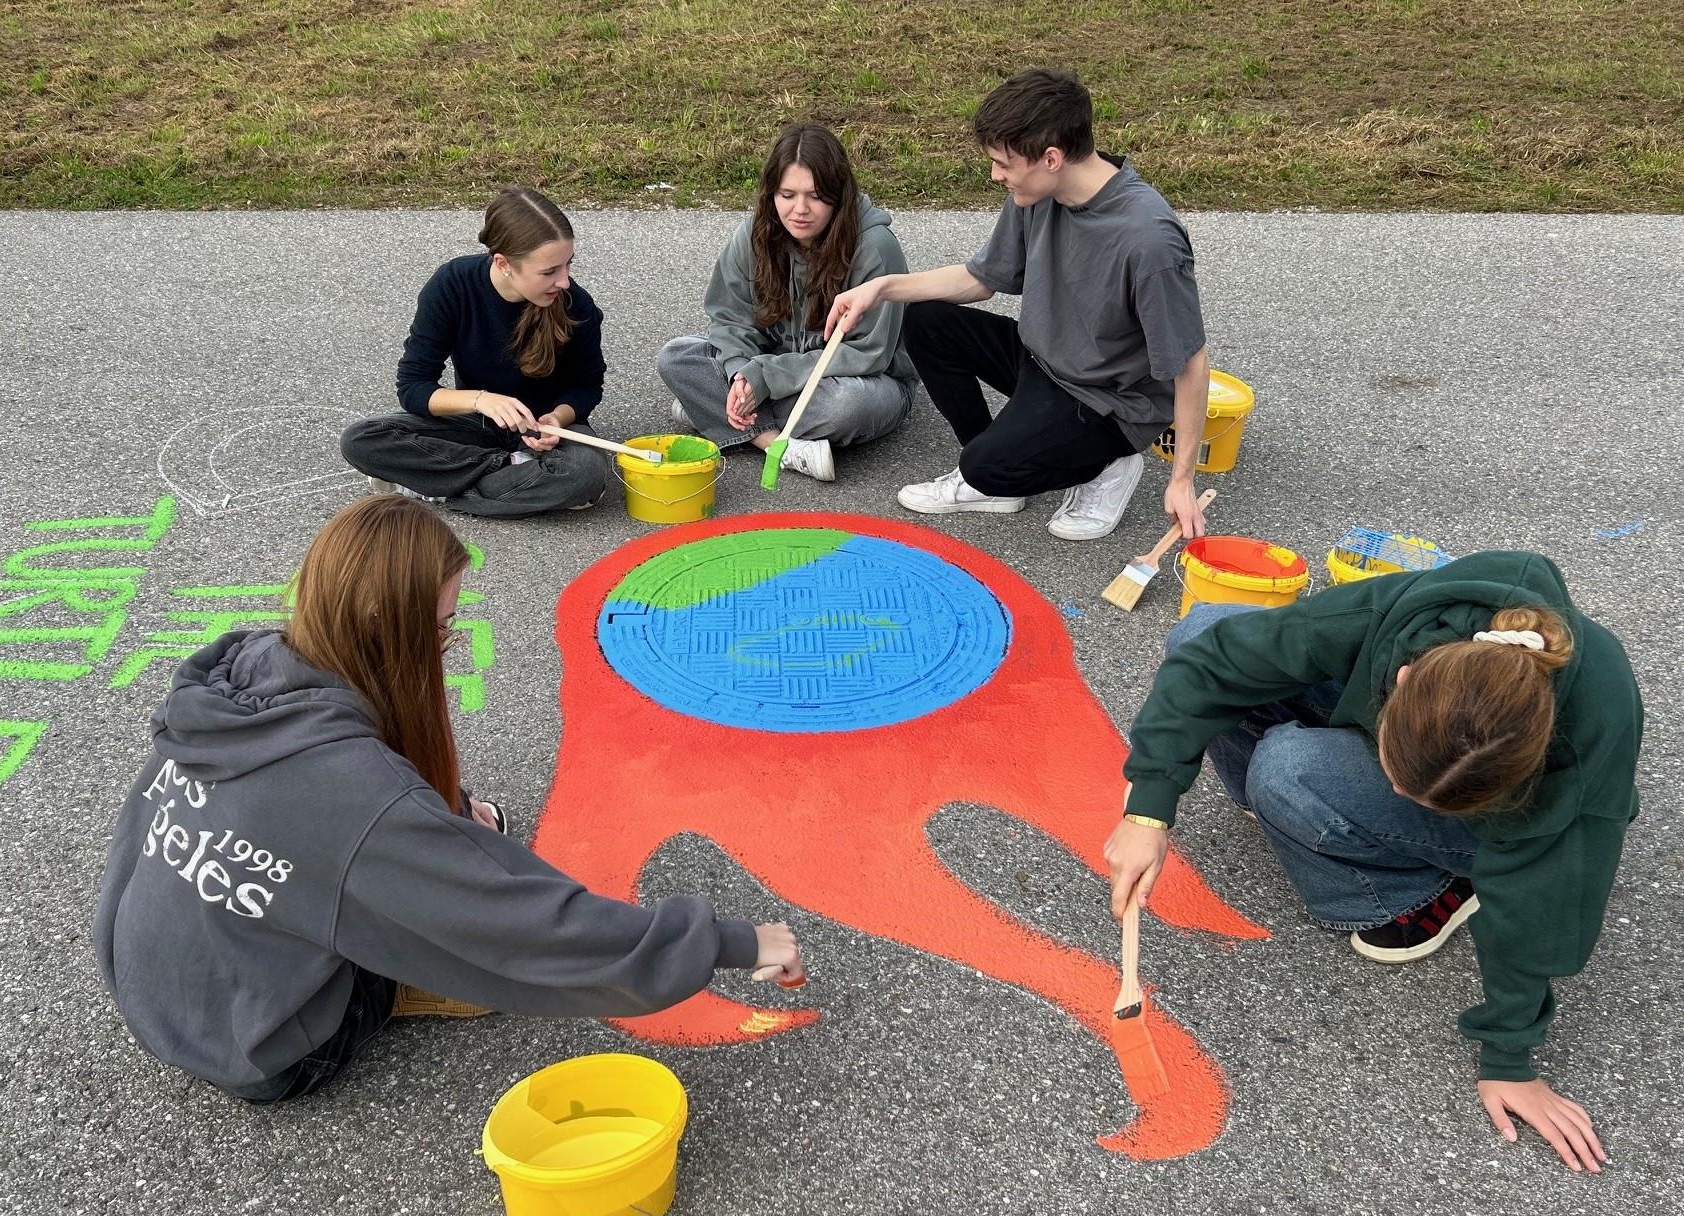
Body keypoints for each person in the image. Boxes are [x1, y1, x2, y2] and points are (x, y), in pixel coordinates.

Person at [94, 497, 804, 1103]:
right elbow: (535, 928)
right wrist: (735, 941)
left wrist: (436, 813)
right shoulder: (353, 799)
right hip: (264, 1053)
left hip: (152, 994)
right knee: (469, 945)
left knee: (409, 850)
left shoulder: (242, 675)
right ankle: (403, 983)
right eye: (438, 630)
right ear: (384, 630)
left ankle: (434, 850)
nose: (447, 643)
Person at [1103, 550, 1641, 1173]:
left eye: (1409, 795)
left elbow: (1551, 895)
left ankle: (1415, 895)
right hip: (1429, 734)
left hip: (1517, 824)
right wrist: (1148, 807)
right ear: (1405, 678)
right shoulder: (1397, 616)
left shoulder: (1588, 741)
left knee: (1287, 774)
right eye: (1397, 776)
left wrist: (1509, 1059)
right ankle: (1314, 810)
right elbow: (1212, 662)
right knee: (1202, 630)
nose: (1394, 793)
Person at [827, 69, 1210, 541]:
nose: (995, 175)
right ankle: (998, 479)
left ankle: (1109, 462)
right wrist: (881, 288)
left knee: (985, 466)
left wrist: (1182, 479)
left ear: (1050, 157)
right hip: (1043, 362)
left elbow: (1190, 363)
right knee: (925, 320)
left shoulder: (1149, 241)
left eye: (1003, 163)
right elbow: (981, 279)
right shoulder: (1036, 192)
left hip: (1109, 400)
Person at [658, 122, 917, 483]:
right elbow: (729, 319)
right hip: (771, 368)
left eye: (815, 195)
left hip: (854, 381)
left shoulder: (874, 247)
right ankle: (774, 442)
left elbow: (868, 354)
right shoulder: (753, 234)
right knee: (677, 356)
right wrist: (739, 374)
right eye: (787, 194)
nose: (800, 209)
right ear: (771, 194)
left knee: (847, 406)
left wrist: (763, 378)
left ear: (838, 195)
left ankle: (711, 411)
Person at [340, 188, 609, 516]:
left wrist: (555, 418)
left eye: (568, 265)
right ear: (503, 263)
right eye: (549, 272)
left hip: (546, 433)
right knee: (362, 439)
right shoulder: (453, 285)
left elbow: (587, 387)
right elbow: (413, 387)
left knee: (587, 472)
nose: (564, 281)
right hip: (476, 423)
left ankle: (436, 487)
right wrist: (482, 400)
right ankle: (515, 474)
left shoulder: (574, 304)